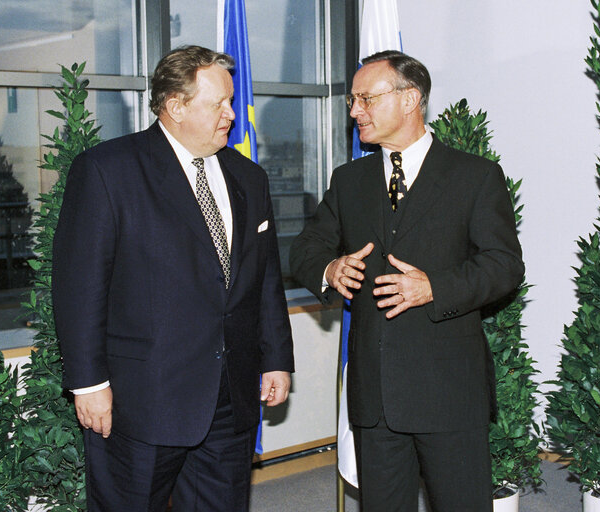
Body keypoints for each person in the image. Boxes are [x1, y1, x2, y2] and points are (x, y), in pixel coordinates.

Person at [52, 45, 294, 512]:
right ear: (176, 106)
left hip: (230, 397)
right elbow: (79, 287)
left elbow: (264, 280)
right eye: (218, 104)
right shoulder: (108, 171)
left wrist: (277, 358)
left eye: (230, 101)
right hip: (140, 400)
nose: (231, 114)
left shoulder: (250, 177)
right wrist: (88, 384)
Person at [290, 50, 524, 512]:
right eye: (353, 101)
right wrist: (329, 269)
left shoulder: (475, 177)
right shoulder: (348, 180)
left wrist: (435, 288)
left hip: (449, 390)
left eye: (366, 99)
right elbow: (305, 249)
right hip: (374, 396)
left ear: (410, 98)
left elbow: (504, 265)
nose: (355, 111)